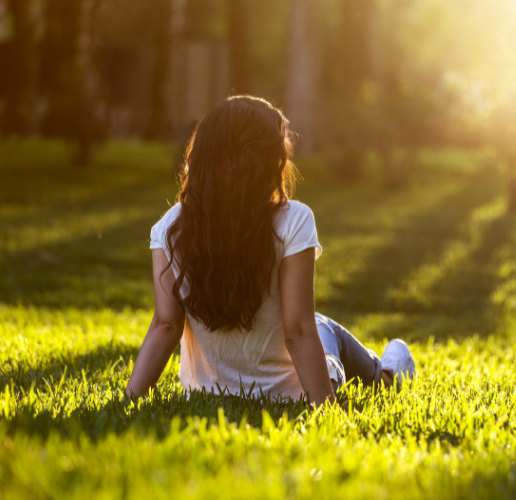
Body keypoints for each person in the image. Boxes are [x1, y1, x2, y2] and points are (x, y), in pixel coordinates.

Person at [125, 96, 415, 405]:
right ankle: (387, 375)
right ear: (266, 159)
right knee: (319, 324)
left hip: (208, 390)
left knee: (316, 323)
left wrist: (127, 401)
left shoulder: (169, 228)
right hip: (292, 393)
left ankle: (382, 369)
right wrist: (328, 412)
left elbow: (166, 325)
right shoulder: (295, 219)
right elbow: (299, 331)